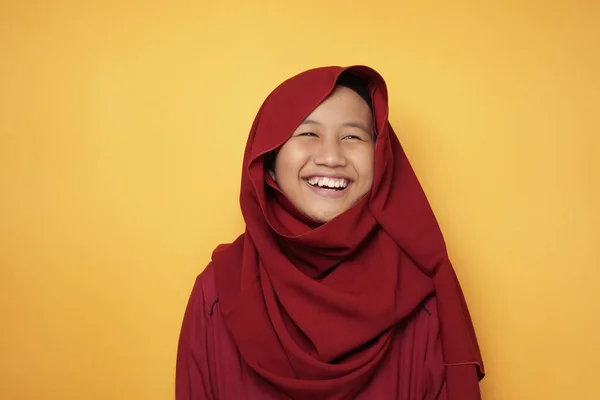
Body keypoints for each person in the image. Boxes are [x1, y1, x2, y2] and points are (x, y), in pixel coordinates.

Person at [176, 65, 485, 400]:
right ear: (269, 159)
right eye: (309, 134)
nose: (331, 157)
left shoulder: (419, 293)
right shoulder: (219, 290)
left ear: (381, 158)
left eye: (352, 136)